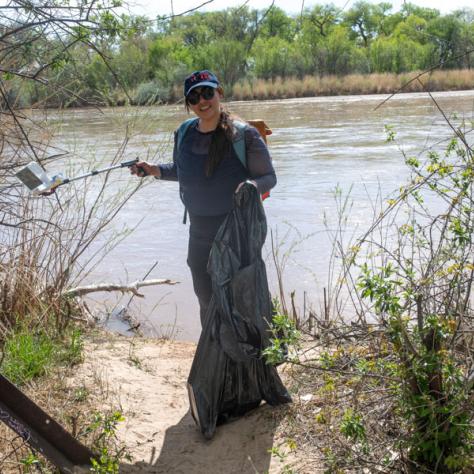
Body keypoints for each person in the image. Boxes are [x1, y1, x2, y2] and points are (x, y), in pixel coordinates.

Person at [130, 70, 276, 325]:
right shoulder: (184, 132)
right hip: (199, 230)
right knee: (205, 296)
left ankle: (246, 360)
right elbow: (182, 171)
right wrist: (154, 170)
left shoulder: (245, 135)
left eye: (207, 92)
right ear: (189, 104)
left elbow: (269, 177)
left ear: (219, 93)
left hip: (237, 230)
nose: (202, 101)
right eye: (194, 97)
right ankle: (213, 356)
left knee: (240, 299)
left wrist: (250, 185)